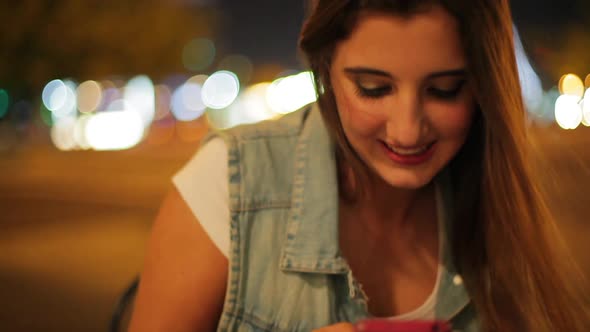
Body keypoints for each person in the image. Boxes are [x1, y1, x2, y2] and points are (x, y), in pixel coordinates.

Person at [128, 0, 590, 331]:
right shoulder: (231, 184)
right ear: (325, 69)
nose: (407, 131)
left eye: (444, 89)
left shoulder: (500, 208)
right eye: (373, 88)